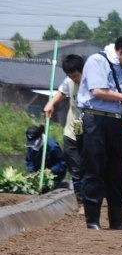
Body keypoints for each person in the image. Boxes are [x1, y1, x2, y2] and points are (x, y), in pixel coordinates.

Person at [78, 34, 122, 230]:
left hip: (117, 123)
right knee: (94, 169)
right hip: (95, 119)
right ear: (121, 52)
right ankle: (92, 220)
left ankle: (117, 220)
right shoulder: (97, 61)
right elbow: (98, 91)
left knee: (118, 171)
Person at [41, 54, 84, 204]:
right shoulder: (69, 82)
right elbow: (62, 92)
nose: (74, 79)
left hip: (90, 132)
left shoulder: (92, 81)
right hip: (72, 131)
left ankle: (91, 198)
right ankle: (81, 201)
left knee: (89, 168)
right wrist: (51, 103)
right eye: (70, 76)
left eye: (76, 76)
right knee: (75, 167)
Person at [24, 125, 67, 190]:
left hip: (55, 175)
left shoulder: (52, 146)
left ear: (40, 138)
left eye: (34, 141)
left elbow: (62, 163)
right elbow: (29, 160)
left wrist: (51, 170)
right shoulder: (31, 145)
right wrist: (32, 171)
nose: (32, 145)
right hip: (38, 174)